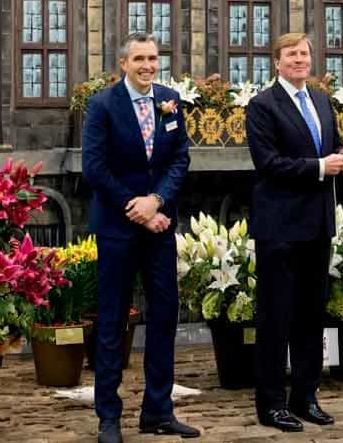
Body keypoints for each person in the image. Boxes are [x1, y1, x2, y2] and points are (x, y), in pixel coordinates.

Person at [82, 33, 198, 442]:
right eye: (139, 59)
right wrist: (137, 208)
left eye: (153, 58)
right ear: (124, 65)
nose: (148, 65)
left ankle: (158, 411)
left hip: (160, 224)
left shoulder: (169, 99)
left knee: (165, 317)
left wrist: (157, 201)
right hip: (118, 226)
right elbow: (94, 167)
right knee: (113, 321)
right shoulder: (102, 105)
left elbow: (180, 157)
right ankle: (108, 417)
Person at [245, 32, 343, 433]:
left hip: (317, 223)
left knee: (312, 315)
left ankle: (306, 396)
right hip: (279, 225)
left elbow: (328, 145)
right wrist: (319, 167)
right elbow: (268, 163)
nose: (299, 59)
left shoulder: (320, 100)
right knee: (276, 317)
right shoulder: (262, 105)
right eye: (291, 54)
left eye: (305, 53)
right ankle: (272, 403)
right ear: (276, 61)